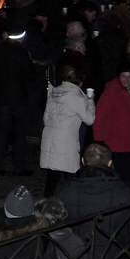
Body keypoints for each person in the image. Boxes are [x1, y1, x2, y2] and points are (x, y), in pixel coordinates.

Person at [0, 23, 36, 175]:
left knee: (1, 132)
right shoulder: (22, 52)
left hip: (2, 96)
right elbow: (30, 74)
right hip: (19, 98)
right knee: (19, 133)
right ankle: (19, 166)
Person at [40, 64, 96, 196]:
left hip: (49, 141)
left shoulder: (54, 92)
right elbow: (89, 119)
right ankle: (70, 204)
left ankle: (46, 205)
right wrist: (90, 100)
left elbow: (45, 119)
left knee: (52, 178)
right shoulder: (76, 96)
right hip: (65, 143)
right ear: (79, 80)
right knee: (70, 177)